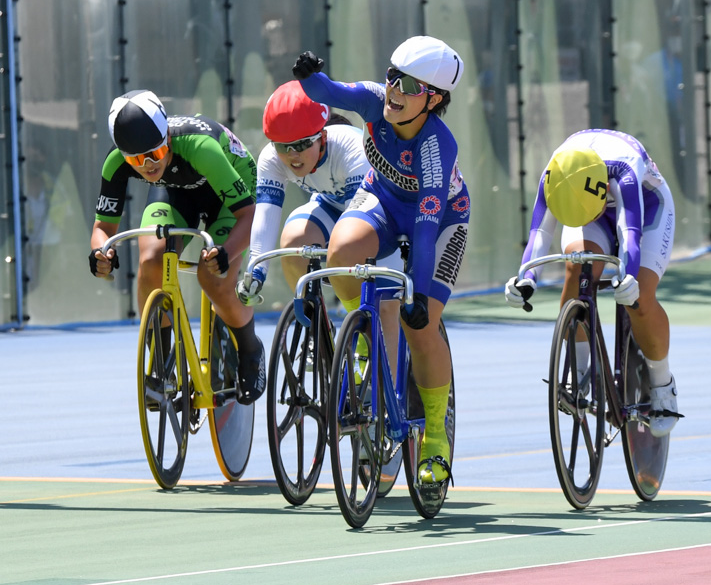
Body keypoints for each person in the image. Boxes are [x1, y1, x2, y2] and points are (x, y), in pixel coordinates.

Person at [291, 36, 469, 507]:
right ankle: (365, 336)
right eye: (392, 74)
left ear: (433, 98)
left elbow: (427, 232)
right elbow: (327, 93)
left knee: (422, 323)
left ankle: (434, 436)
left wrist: (416, 296)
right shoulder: (375, 101)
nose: (393, 88)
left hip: (439, 222)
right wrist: (308, 74)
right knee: (340, 252)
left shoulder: (436, 148)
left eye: (408, 84)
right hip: (384, 202)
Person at [87, 89, 266, 405]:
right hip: (177, 191)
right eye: (135, 161)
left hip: (230, 194)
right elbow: (103, 228)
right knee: (151, 260)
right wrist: (101, 252)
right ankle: (162, 365)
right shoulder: (117, 162)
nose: (146, 166)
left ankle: (250, 348)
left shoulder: (202, 149)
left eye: (154, 155)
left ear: (167, 137)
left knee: (211, 278)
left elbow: (250, 217)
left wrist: (226, 252)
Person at [505, 129, 681, 438]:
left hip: (647, 207)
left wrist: (628, 276)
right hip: (589, 213)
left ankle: (662, 384)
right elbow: (540, 233)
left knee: (640, 295)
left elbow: (629, 230)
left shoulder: (623, 170)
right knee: (577, 270)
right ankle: (581, 372)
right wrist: (526, 278)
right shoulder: (554, 173)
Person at [236, 80, 372, 302]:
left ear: (323, 137)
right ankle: (315, 322)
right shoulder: (271, 158)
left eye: (300, 145)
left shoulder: (352, 148)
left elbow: (355, 230)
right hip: (331, 203)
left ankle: (361, 326)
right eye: (282, 146)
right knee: (292, 242)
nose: (292, 156)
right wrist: (257, 271)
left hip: (376, 212)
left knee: (383, 309)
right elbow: (265, 216)